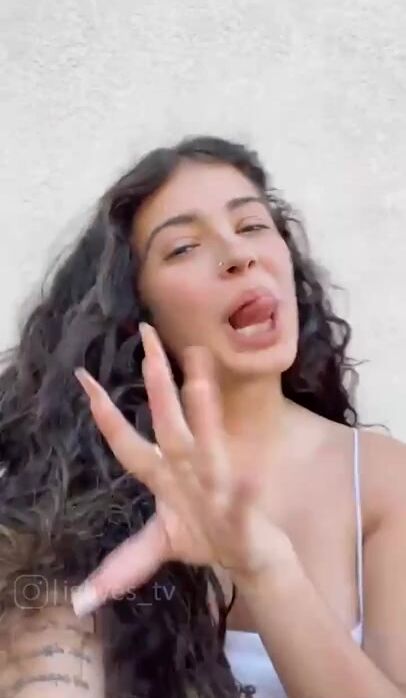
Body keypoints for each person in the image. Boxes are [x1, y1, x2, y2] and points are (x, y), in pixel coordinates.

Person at [0, 135, 405, 698]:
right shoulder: (71, 493)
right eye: (184, 247)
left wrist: (262, 566)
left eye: (253, 225)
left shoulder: (384, 480)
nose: (239, 254)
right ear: (137, 310)